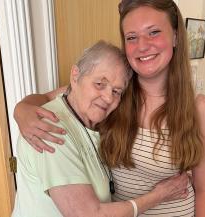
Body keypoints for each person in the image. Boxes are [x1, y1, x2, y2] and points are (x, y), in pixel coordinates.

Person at [14, 0, 205, 216]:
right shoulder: (112, 94)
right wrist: (22, 109)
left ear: (176, 36)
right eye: (132, 37)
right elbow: (46, 98)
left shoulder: (199, 108)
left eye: (154, 32)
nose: (142, 45)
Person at [12, 40, 189, 217]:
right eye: (99, 84)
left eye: (116, 91)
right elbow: (87, 215)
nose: (107, 98)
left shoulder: (90, 117)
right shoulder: (50, 128)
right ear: (75, 76)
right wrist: (159, 195)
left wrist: (23, 106)